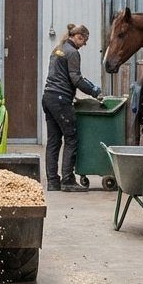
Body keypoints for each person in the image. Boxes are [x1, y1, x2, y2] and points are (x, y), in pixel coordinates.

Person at [42, 23, 102, 192]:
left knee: (53, 141)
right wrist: (94, 91)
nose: (85, 44)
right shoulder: (72, 52)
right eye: (85, 40)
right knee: (71, 138)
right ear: (78, 37)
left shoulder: (57, 49)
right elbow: (76, 79)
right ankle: (68, 180)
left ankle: (53, 182)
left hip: (48, 97)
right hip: (60, 100)